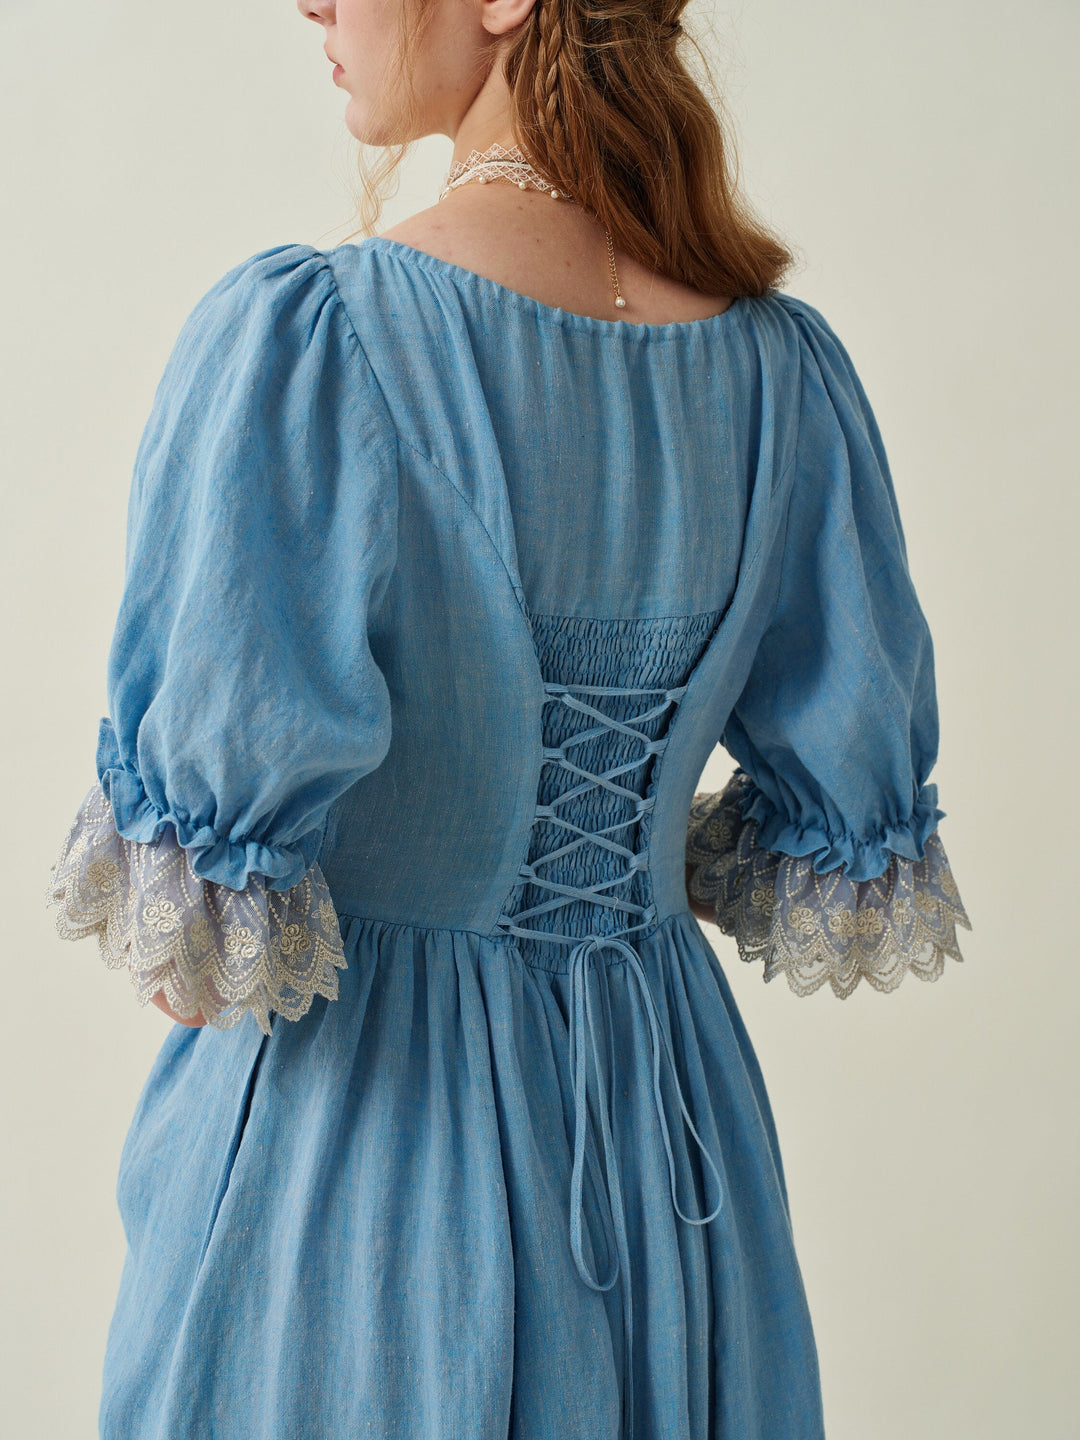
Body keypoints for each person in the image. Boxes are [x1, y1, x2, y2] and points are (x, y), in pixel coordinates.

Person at [45, 0, 972, 1436]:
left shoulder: (321, 342)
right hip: (672, 1158)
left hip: (365, 1168)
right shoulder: (782, 375)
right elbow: (846, 804)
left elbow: (197, 961)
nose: (312, 4)